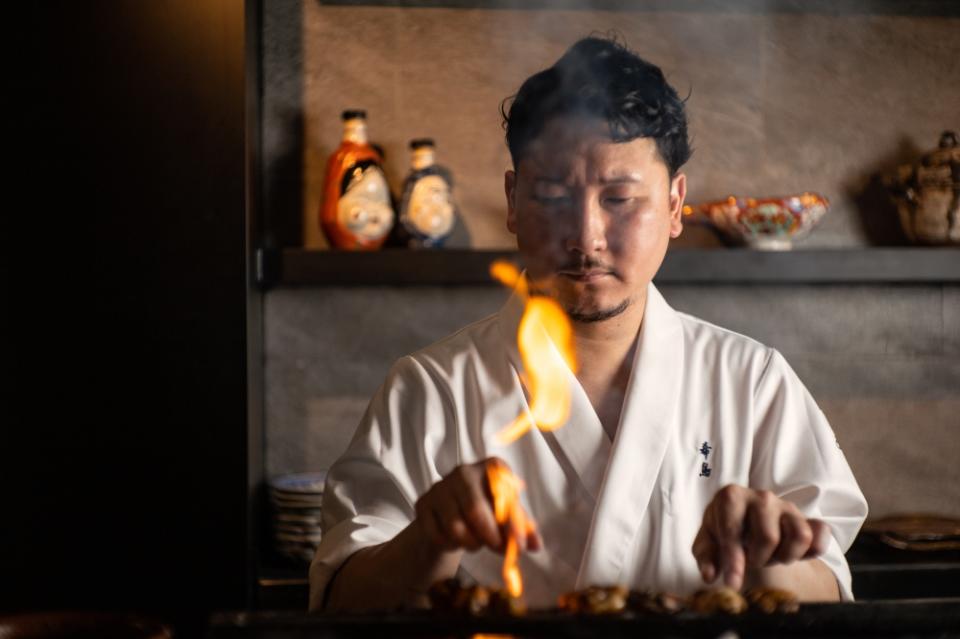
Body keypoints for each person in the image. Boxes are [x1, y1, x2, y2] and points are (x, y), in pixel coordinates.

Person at [308, 36, 868, 612]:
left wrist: (772, 561)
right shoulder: (430, 389)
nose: (586, 236)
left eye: (621, 198)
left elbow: (831, 587)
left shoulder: (752, 382)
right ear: (512, 199)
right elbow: (341, 600)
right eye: (551, 195)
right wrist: (428, 539)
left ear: (675, 205)